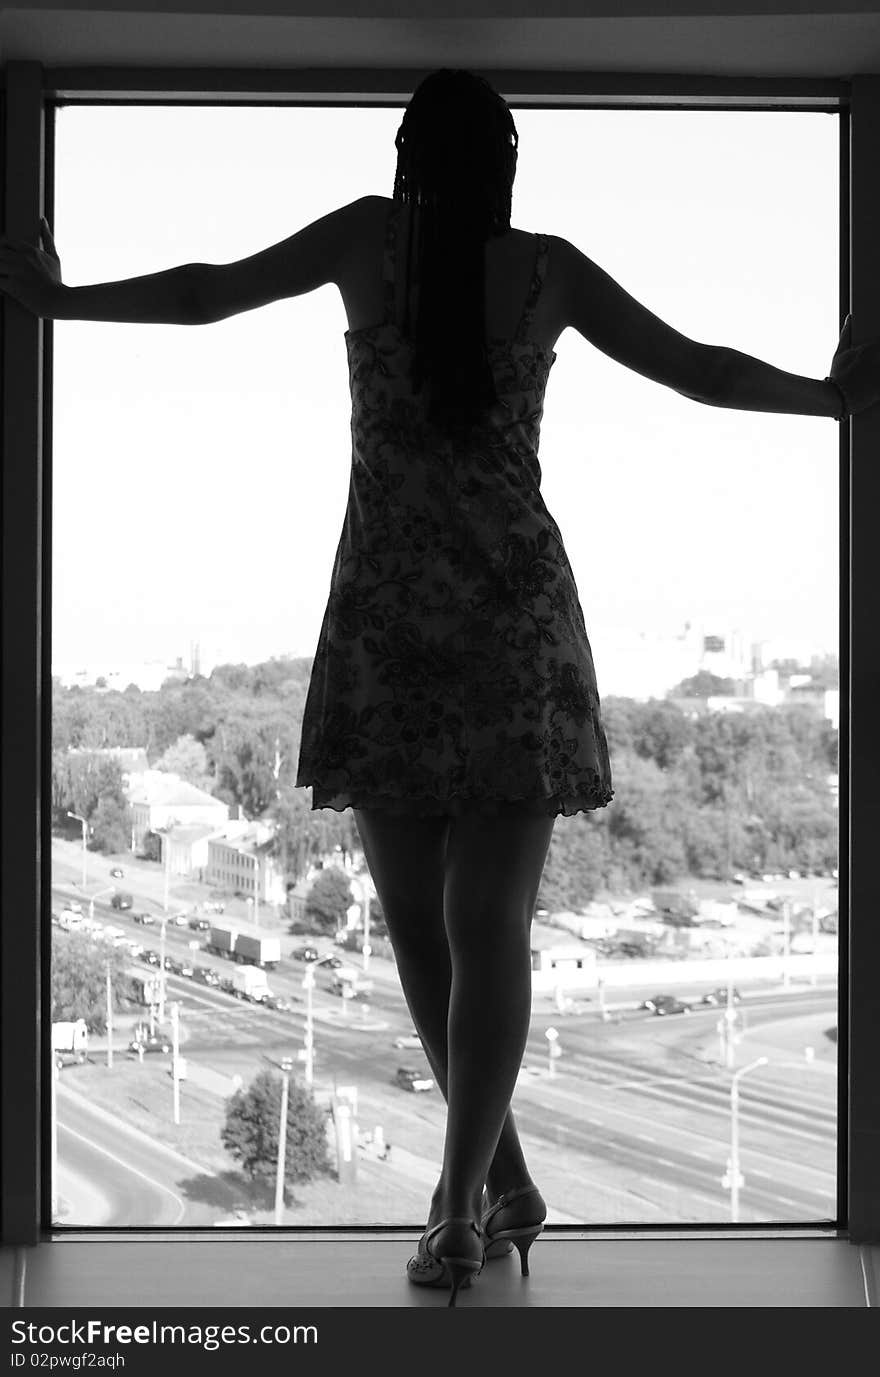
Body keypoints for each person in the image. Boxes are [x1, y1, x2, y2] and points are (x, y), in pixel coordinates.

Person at [1, 67, 876, 1306]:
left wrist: (58, 300)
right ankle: (486, 1195)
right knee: (486, 932)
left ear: (408, 158)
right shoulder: (545, 272)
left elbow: (206, 294)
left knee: (421, 929)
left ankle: (464, 1211)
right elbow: (699, 369)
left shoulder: (371, 241)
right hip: (514, 623)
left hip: (392, 620)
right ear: (507, 167)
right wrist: (831, 397)